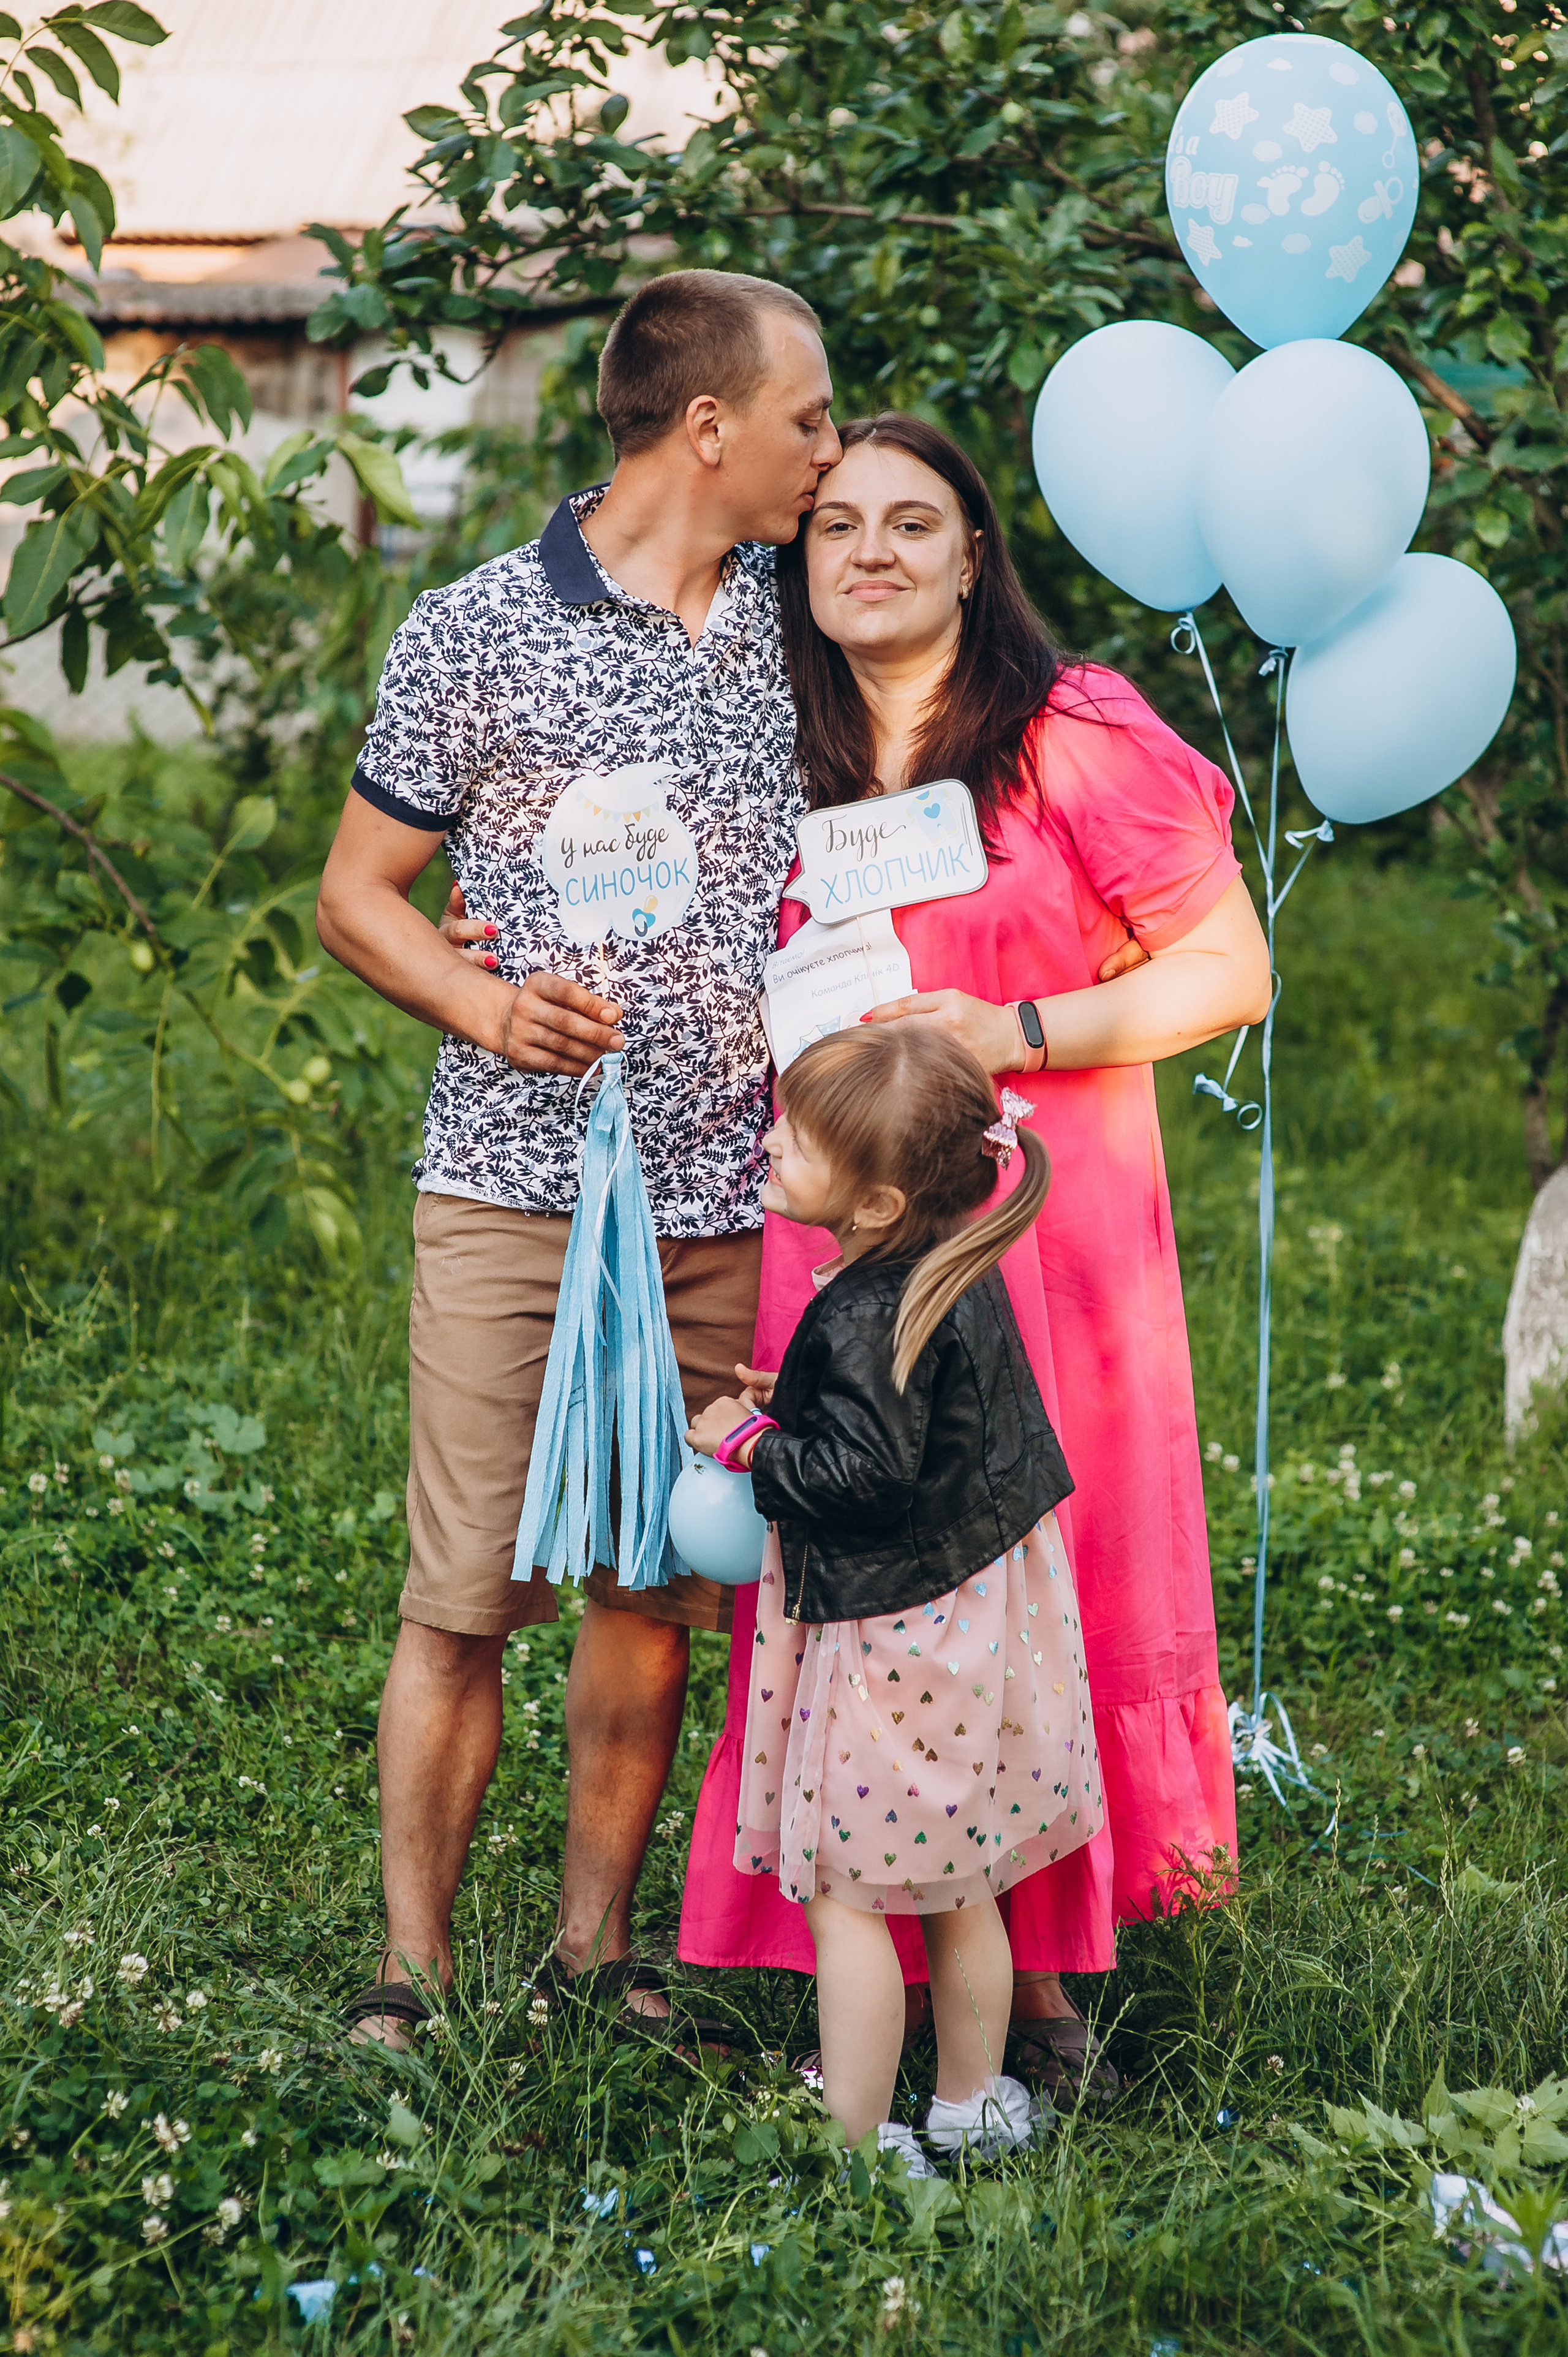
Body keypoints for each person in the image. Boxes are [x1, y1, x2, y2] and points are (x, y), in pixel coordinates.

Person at [676, 414, 1273, 2097]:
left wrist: (1015, 1023)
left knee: (1025, 1585)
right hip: (837, 1266)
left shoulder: (1069, 734)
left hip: (1040, 1251)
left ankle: (1042, 1983)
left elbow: (1229, 969)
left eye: (911, 522)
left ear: (971, 556)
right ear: (800, 562)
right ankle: (858, 1948)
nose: (869, 549)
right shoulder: (766, 749)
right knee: (868, 1586)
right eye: (837, 522)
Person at [314, 269, 842, 2045]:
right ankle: (412, 1972)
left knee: (659, 1588)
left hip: (726, 1197)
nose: (825, 453)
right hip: (512, 1193)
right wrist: (482, 1003)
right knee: (465, 1593)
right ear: (709, 427)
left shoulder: (802, 616)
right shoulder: (474, 628)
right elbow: (355, 899)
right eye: (806, 417)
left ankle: (595, 1957)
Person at [685, 1025, 1101, 2169]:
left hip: (892, 1639)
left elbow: (862, 1482)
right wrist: (818, 1405)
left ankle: (857, 2144)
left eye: (798, 1137)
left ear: (870, 1206)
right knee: (962, 1875)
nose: (771, 1139)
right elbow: (925, 1432)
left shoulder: (867, 1310)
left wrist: (754, 1445)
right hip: (972, 1627)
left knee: (854, 1901)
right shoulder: (954, 1269)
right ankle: (975, 2106)